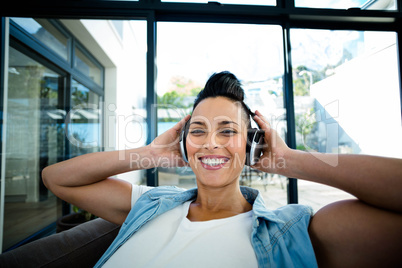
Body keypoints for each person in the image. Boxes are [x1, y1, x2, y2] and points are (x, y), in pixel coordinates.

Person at [42, 71, 402, 267]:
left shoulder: (293, 233)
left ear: (250, 143)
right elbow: (56, 178)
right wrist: (150, 152)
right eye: (198, 131)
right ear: (185, 144)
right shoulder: (152, 204)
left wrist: (288, 161)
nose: (211, 143)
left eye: (228, 131)